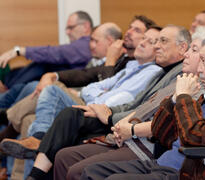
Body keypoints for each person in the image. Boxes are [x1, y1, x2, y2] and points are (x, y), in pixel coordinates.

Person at [6, 25, 191, 180]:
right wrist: (108, 111)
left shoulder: (175, 76)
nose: (156, 45)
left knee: (52, 96)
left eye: (160, 41)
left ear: (183, 48)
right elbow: (120, 95)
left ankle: (23, 137)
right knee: (36, 111)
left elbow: (140, 107)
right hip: (115, 117)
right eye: (154, 41)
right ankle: (28, 161)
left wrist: (112, 117)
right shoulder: (156, 71)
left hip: (137, 137)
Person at [79, 32, 205, 180]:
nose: (199, 68)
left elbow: (195, 139)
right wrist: (174, 100)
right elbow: (161, 132)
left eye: (203, 61)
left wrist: (185, 98)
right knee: (92, 172)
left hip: (187, 174)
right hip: (162, 164)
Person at [50, 26, 205, 180]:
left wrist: (128, 128)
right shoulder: (180, 80)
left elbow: (172, 125)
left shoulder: (199, 89)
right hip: (130, 136)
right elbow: (143, 106)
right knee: (64, 156)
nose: (187, 54)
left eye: (193, 50)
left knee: (80, 169)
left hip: (147, 146)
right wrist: (121, 124)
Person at [0, 15, 154, 142]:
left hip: (100, 112)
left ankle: (7, 118)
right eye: (130, 27)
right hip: (86, 99)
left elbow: (109, 92)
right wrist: (54, 76)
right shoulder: (129, 61)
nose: (129, 32)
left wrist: (110, 61)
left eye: (137, 30)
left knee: (45, 88)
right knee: (29, 117)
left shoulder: (138, 65)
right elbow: (86, 75)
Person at [0, 11, 93, 89]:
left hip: (63, 87)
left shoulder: (86, 44)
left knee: (32, 81)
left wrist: (19, 51)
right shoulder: (81, 46)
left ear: (85, 26)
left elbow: (55, 53)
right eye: (67, 28)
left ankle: (6, 83)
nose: (67, 32)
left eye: (71, 28)